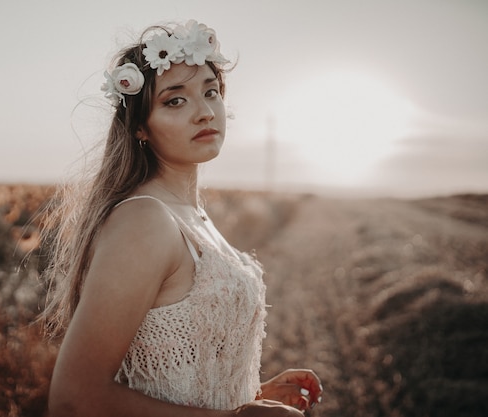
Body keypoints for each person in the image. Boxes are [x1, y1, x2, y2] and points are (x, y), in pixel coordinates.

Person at [42, 19, 323, 417]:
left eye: (211, 92)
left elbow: (179, 385)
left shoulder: (193, 215)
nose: (205, 112)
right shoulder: (144, 220)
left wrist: (252, 396)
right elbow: (74, 401)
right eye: (176, 100)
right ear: (140, 126)